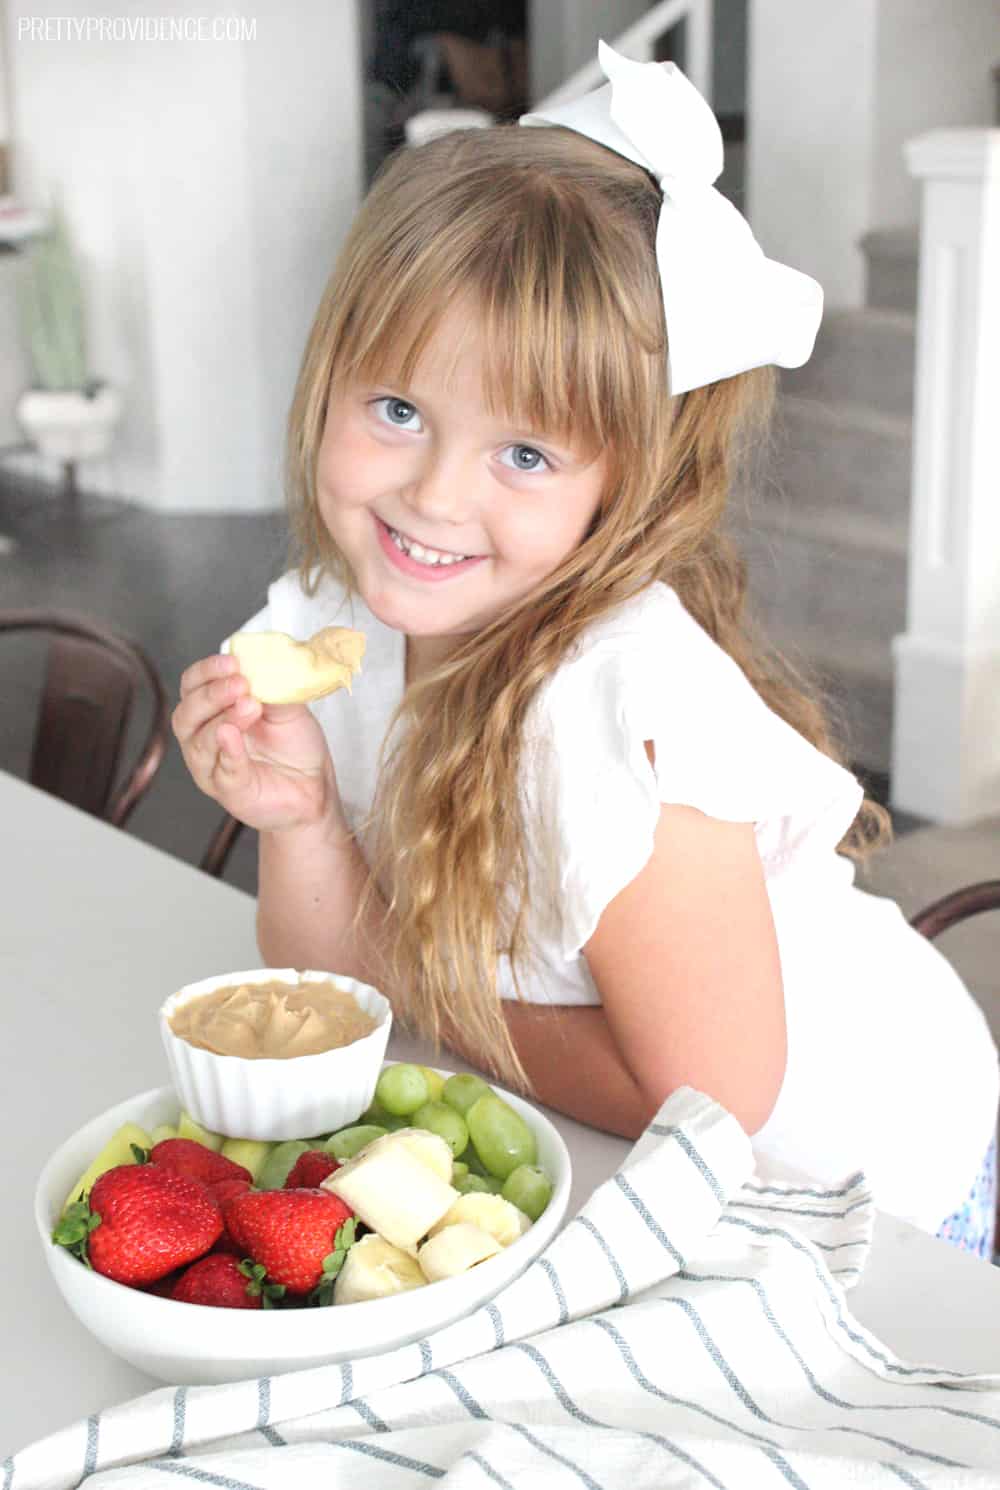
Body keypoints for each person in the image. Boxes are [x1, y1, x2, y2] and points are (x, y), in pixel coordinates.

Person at [174, 45, 998, 1254]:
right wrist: (301, 819)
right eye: (397, 410)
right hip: (631, 1159)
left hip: (871, 1193)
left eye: (525, 454)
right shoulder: (329, 623)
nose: (434, 496)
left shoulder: (618, 710)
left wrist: (429, 994)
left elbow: (710, 1101)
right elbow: (339, 972)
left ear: (627, 487)